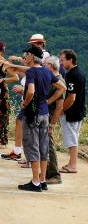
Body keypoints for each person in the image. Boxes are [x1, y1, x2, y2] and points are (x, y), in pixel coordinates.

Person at [18, 45, 52, 192]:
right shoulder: (47, 70)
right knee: (44, 147)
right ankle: (43, 179)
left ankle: (35, 182)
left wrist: (25, 103)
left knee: (32, 146)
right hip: (45, 113)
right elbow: (62, 86)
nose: (25, 57)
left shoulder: (31, 72)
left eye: (26, 55)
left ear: (32, 57)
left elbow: (30, 91)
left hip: (33, 114)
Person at [59, 49, 86, 174]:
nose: (61, 63)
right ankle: (71, 163)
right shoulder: (80, 72)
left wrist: (62, 110)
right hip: (79, 110)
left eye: (62, 60)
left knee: (71, 139)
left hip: (71, 112)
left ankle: (73, 165)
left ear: (70, 60)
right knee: (73, 137)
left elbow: (71, 97)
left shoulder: (71, 75)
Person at [44, 55, 66, 184]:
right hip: (47, 116)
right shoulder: (53, 80)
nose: (43, 66)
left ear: (51, 66)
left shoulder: (59, 81)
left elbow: (59, 107)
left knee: (49, 146)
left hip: (50, 117)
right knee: (46, 145)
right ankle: (48, 172)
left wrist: (52, 125)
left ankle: (54, 175)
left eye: (45, 64)